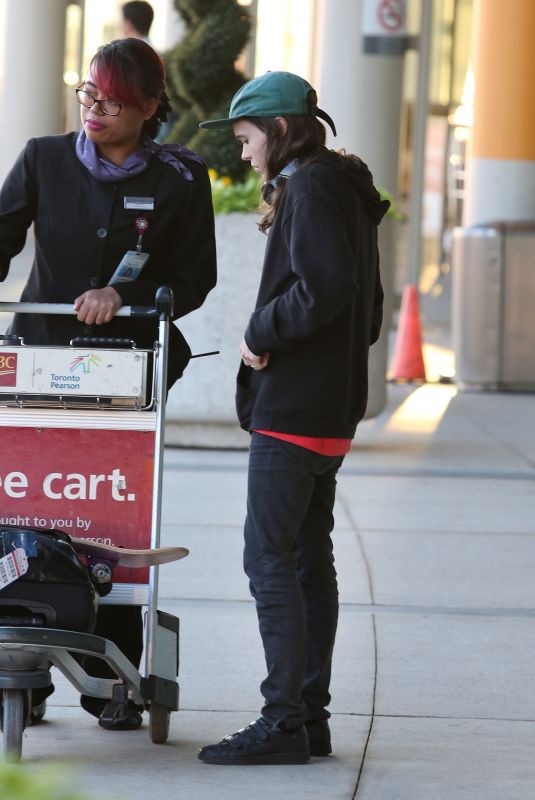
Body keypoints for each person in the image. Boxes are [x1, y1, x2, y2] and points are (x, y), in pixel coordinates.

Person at [0, 38, 216, 729]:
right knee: (29, 510)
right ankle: (24, 678)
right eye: (87, 95)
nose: (94, 110)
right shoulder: (44, 157)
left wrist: (130, 296)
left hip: (125, 378)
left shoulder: (184, 177)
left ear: (150, 108)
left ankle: (110, 683)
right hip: (34, 368)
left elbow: (195, 277)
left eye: (112, 101)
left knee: (109, 519)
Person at [197, 71, 388, 765]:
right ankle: (308, 719)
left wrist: (260, 332)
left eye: (247, 139)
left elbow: (326, 288)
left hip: (292, 409)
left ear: (278, 129)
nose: (244, 155)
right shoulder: (344, 189)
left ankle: (282, 721)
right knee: (309, 562)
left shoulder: (307, 187)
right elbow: (367, 311)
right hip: (331, 410)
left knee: (269, 560)